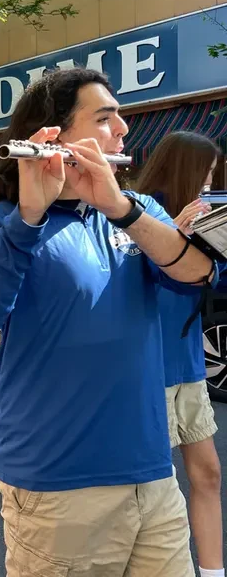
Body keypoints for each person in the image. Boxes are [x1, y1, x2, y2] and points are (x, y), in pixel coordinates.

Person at [0, 67, 217, 576]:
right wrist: (28, 218)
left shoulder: (135, 209)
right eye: (105, 117)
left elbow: (195, 272)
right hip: (57, 485)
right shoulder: (1, 221)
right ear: (54, 133)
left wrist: (119, 207)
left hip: (151, 474)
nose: (122, 130)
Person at [136, 131, 224, 577]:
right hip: (147, 366)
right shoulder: (135, 211)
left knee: (207, 473)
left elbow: (212, 281)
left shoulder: (208, 216)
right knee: (156, 488)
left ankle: (212, 571)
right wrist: (175, 234)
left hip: (188, 361)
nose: (209, 181)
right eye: (205, 171)